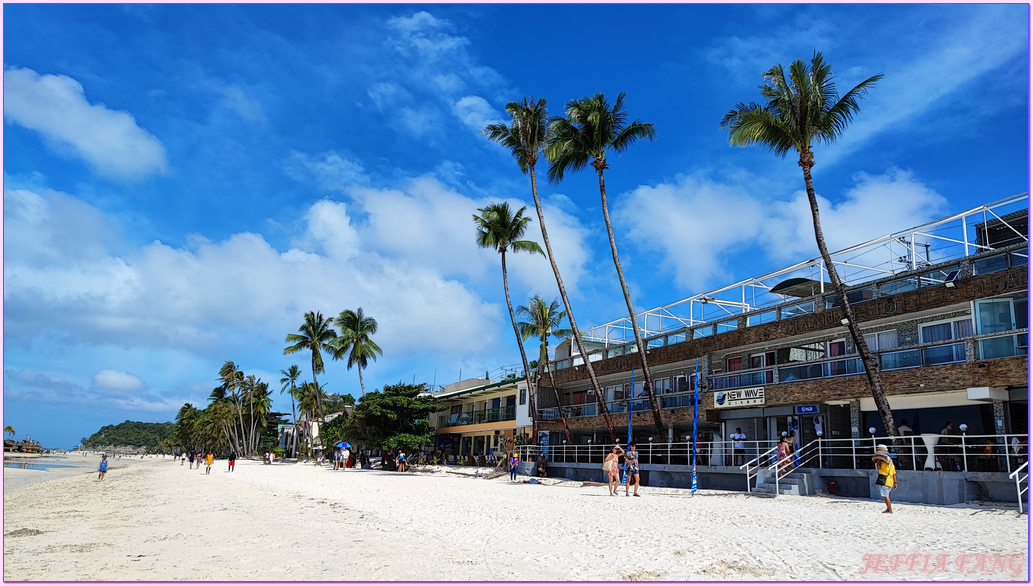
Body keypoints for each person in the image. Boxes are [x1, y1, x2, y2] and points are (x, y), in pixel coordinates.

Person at [872, 444, 896, 513]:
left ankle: (889, 509)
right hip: (890, 481)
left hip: (885, 480)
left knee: (885, 496)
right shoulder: (891, 464)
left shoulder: (883, 462)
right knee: (886, 495)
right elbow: (894, 474)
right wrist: (895, 482)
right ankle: (888, 509)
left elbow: (878, 468)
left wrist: (878, 460)